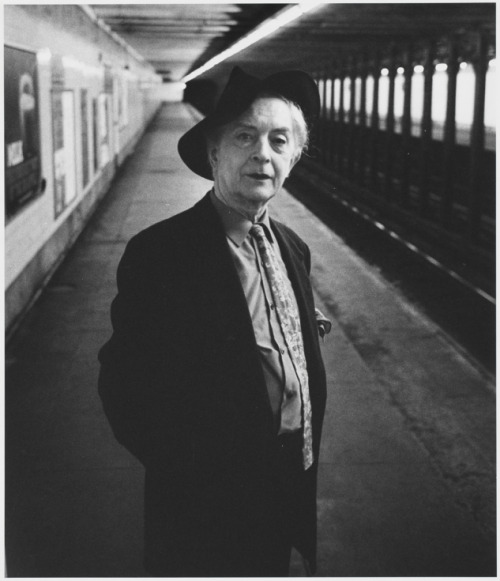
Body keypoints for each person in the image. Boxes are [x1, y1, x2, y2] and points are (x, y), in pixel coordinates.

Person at [98, 66, 330, 577]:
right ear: (214, 152)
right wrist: (193, 475)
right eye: (244, 136)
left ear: (293, 157)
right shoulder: (162, 254)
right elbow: (123, 389)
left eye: (278, 140)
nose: (262, 153)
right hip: (203, 506)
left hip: (284, 488)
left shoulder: (294, 249)